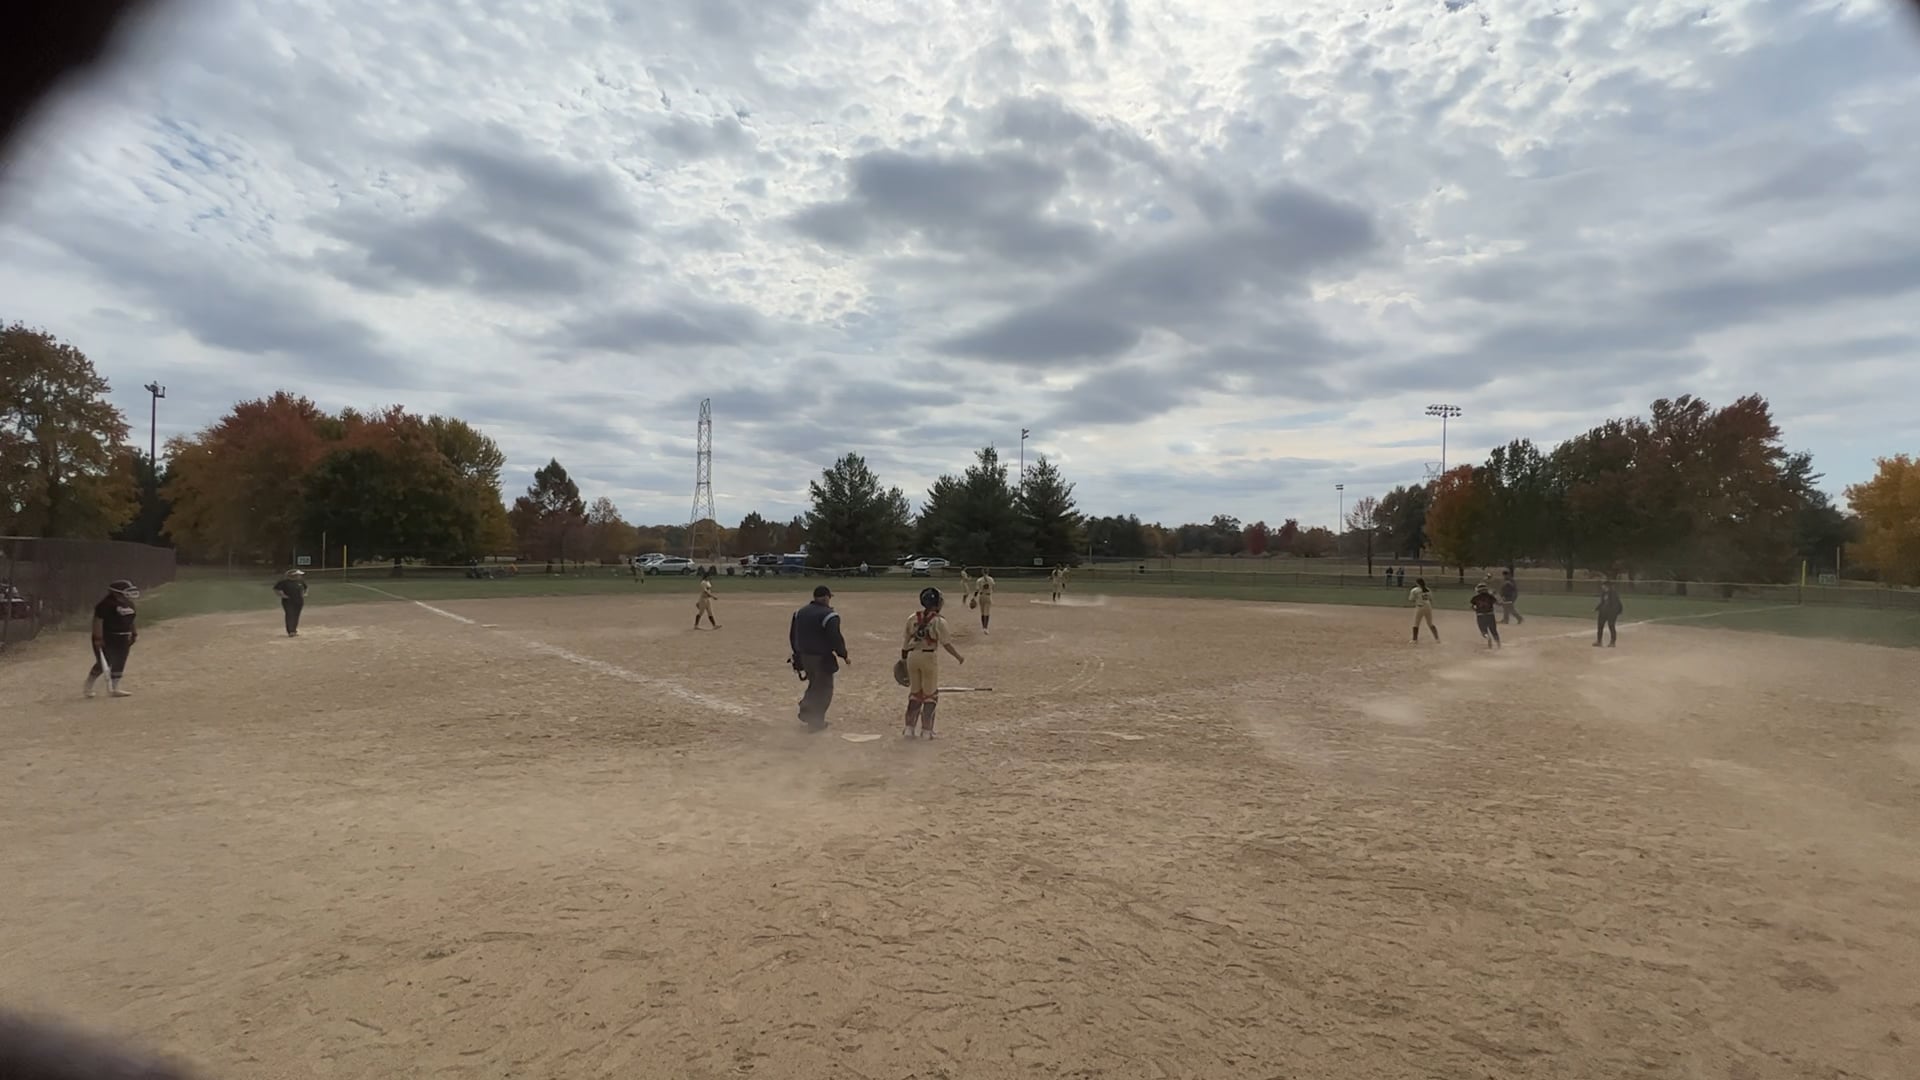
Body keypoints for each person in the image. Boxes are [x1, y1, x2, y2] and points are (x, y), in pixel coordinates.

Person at [901, 587, 965, 739]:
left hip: (912, 656)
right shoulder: (939, 621)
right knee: (930, 695)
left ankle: (909, 728)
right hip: (928, 657)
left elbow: (905, 644)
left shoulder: (912, 618)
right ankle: (926, 731)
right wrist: (958, 657)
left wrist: (903, 661)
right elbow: (946, 644)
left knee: (915, 694)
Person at [788, 585, 848, 731]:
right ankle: (814, 720)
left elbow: (793, 635)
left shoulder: (800, 612)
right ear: (826, 597)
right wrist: (843, 654)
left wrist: (797, 654)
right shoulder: (829, 615)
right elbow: (835, 638)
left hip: (805, 656)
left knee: (815, 684)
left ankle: (807, 711)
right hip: (821, 658)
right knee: (824, 689)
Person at [85, 579, 139, 698]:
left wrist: (134, 633)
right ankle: (89, 685)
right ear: (115, 592)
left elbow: (131, 620)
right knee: (104, 662)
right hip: (108, 637)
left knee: (120, 661)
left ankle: (114, 688)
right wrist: (98, 638)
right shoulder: (105, 605)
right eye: (127, 591)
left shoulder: (129, 604)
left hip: (123, 636)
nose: (130, 593)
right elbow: (98, 621)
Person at [273, 568, 308, 637]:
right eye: (298, 575)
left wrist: (305, 593)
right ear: (293, 575)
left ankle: (294, 630)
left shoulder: (300, 581)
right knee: (290, 614)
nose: (300, 576)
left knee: (296, 615)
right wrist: (282, 595)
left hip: (299, 601)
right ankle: (291, 631)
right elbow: (276, 589)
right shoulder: (284, 582)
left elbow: (306, 588)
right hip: (288, 601)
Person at [1469, 582, 1502, 649]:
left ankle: (1488, 637)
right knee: (1494, 631)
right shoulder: (1490, 596)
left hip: (1480, 616)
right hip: (1490, 615)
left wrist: (1475, 609)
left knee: (1483, 631)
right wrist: (1501, 602)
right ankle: (1498, 645)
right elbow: (1498, 603)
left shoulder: (1475, 598)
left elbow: (1473, 606)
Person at [1408, 576, 1438, 643]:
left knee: (1416, 623)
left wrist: (1417, 599)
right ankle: (1437, 639)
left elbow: (1411, 599)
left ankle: (1414, 640)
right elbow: (1431, 599)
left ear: (1417, 583)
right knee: (1430, 623)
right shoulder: (1428, 589)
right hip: (1428, 606)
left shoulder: (1415, 590)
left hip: (1420, 607)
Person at [1596, 581, 1624, 647]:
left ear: (1607, 586)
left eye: (1603, 585)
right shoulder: (1603, 593)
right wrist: (1598, 608)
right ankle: (1599, 641)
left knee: (1611, 625)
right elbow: (1603, 602)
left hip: (1612, 612)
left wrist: (1614, 612)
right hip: (1603, 612)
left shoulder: (1613, 593)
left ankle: (1612, 642)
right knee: (1600, 625)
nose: (1602, 587)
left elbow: (1616, 604)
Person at [974, 568, 996, 633]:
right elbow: (993, 587)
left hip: (981, 596)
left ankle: (983, 627)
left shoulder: (979, 580)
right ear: (988, 572)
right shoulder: (991, 579)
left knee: (982, 612)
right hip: (988, 596)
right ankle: (986, 628)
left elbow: (977, 590)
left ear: (982, 572)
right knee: (987, 612)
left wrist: (974, 597)